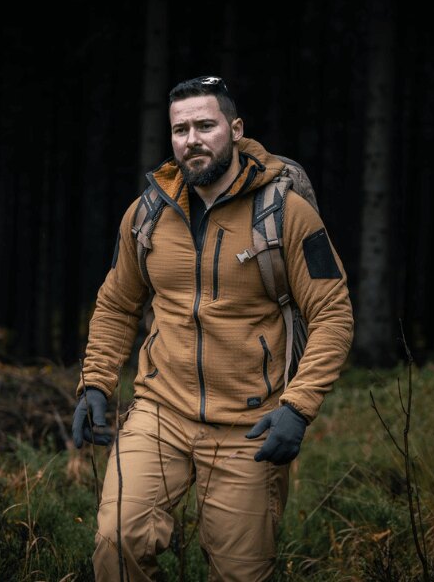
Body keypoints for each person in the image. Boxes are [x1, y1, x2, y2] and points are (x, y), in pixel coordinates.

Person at [73, 75, 353, 581]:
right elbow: (117, 303)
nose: (192, 139)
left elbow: (333, 313)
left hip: (251, 423)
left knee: (241, 573)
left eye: (206, 125)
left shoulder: (286, 213)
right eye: (181, 129)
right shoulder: (147, 213)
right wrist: (95, 382)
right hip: (161, 413)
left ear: (235, 128)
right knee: (118, 543)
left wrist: (298, 407)